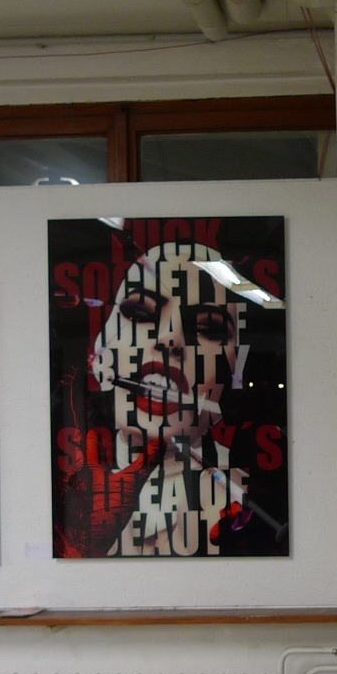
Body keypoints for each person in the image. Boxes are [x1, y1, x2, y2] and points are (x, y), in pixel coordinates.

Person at [80, 238, 264, 556]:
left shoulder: (239, 503)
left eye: (208, 328)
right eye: (140, 314)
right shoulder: (68, 490)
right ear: (101, 352)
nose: (170, 339)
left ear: (235, 369)